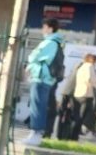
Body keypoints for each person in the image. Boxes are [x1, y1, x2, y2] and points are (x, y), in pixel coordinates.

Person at [23, 18, 66, 146]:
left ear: (50, 28)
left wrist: (31, 60)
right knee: (38, 105)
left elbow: (34, 56)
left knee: (38, 105)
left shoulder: (49, 42)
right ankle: (35, 133)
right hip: (44, 78)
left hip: (41, 78)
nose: (43, 29)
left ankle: (36, 133)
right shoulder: (56, 43)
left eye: (44, 27)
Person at [56, 52, 96, 141]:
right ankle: (73, 136)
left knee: (74, 116)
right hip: (85, 94)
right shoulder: (89, 66)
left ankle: (68, 136)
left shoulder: (80, 66)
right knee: (80, 117)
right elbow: (90, 80)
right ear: (92, 60)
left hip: (76, 94)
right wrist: (95, 85)